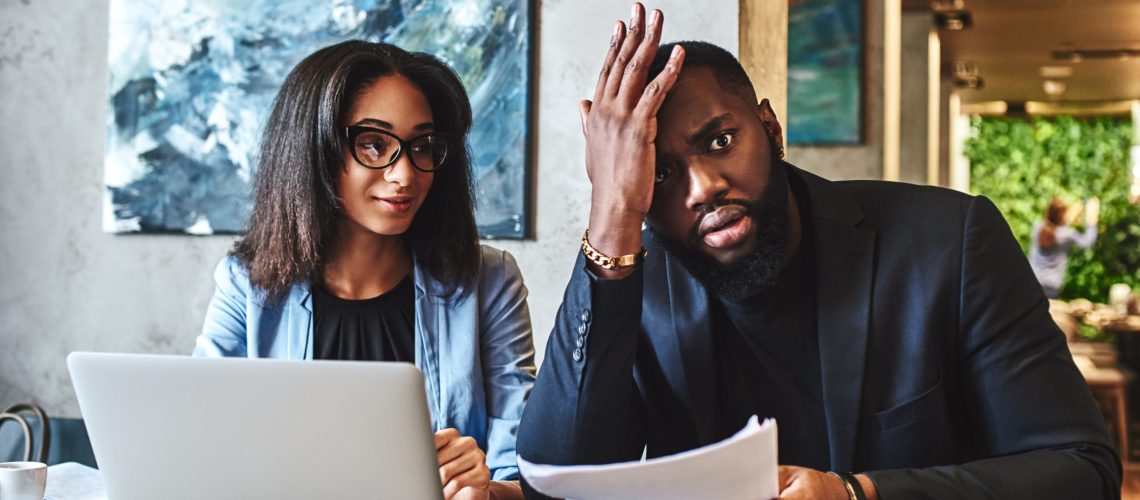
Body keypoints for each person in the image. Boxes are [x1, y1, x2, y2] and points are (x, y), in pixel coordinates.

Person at [516, 4, 1120, 499]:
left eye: (720, 141)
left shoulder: (949, 244)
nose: (703, 188)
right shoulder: (634, 281)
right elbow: (557, 482)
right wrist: (611, 214)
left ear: (772, 129)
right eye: (663, 172)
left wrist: (856, 494)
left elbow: (1080, 470)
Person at [193, 40, 534, 500]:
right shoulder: (246, 285)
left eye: (424, 146)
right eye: (374, 144)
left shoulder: (489, 282)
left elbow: (525, 474)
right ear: (313, 149)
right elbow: (202, 443)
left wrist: (487, 490)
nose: (406, 175)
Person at [1030, 196, 1099, 298]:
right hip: (1052, 286)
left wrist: (1070, 214)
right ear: (1061, 215)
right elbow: (1087, 242)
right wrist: (1092, 222)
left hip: (1033, 280)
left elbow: (1055, 226)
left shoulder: (1038, 227)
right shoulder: (1066, 235)